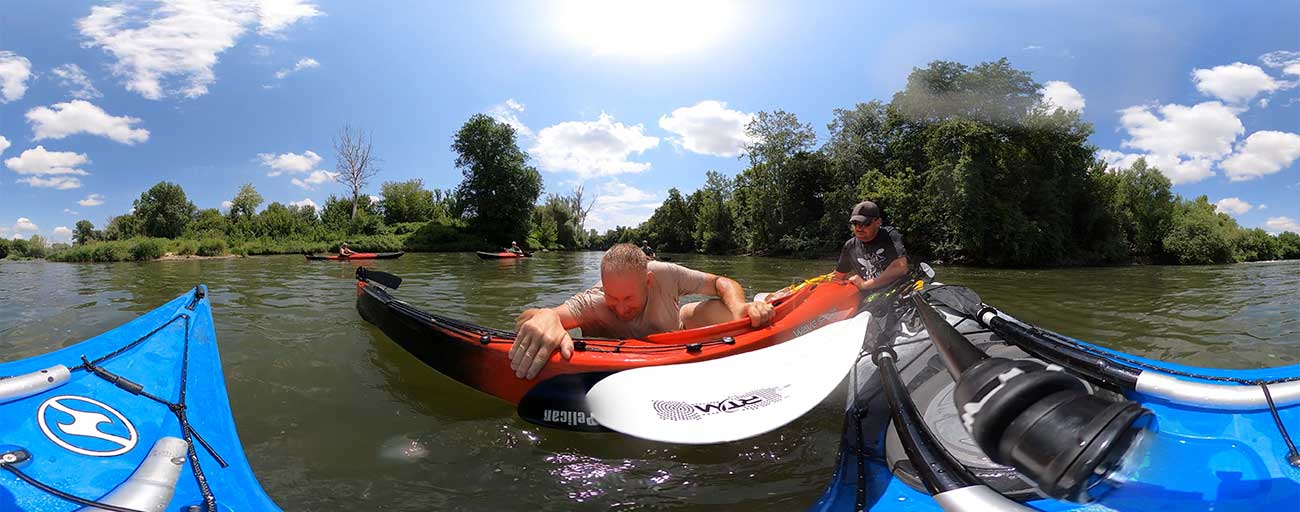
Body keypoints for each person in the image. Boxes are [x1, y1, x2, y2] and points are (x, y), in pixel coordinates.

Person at [509, 243, 775, 379]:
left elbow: (721, 282)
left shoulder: (665, 274)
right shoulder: (593, 301)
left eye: (629, 298)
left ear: (648, 282)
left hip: (679, 330)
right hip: (627, 360)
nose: (621, 307)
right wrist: (545, 316)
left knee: (725, 310)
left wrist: (741, 307)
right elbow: (539, 316)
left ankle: (762, 305)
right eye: (613, 297)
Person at [833, 200, 908, 292]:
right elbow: (838, 277)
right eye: (855, 223)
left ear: (878, 222)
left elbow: (900, 268)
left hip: (896, 293)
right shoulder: (850, 246)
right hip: (870, 299)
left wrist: (865, 285)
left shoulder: (889, 235)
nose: (859, 228)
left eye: (865, 223)